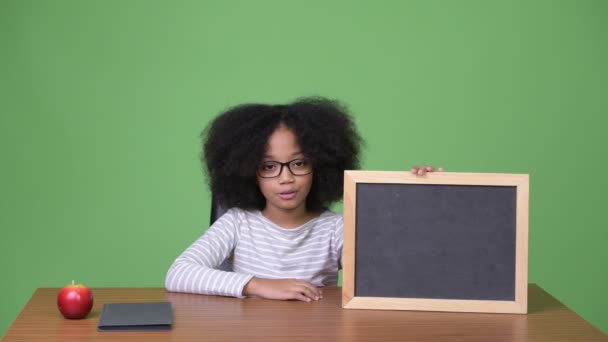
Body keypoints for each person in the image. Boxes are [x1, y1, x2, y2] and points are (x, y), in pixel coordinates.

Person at [165, 97, 441, 302]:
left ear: (320, 165)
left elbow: (392, 275)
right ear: (249, 171)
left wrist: (423, 196)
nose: (286, 178)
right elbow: (178, 274)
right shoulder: (237, 223)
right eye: (269, 167)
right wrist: (258, 285)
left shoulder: (335, 229)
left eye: (298, 163)